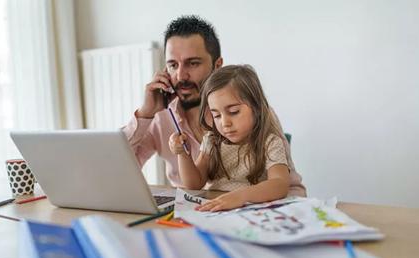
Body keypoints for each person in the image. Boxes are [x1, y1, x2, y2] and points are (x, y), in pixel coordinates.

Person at [123, 15, 305, 197]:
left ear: (217, 66)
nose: (181, 75)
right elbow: (117, 167)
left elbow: (287, 187)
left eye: (192, 63)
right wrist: (145, 113)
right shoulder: (161, 116)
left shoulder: (258, 115)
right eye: (172, 65)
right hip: (200, 211)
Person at [169, 65, 303, 211]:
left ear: (256, 107)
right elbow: (194, 184)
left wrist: (240, 196)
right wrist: (182, 154)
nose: (225, 123)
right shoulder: (212, 141)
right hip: (217, 211)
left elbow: (279, 184)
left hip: (254, 212)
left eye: (233, 112)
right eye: (217, 115)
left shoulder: (269, 142)